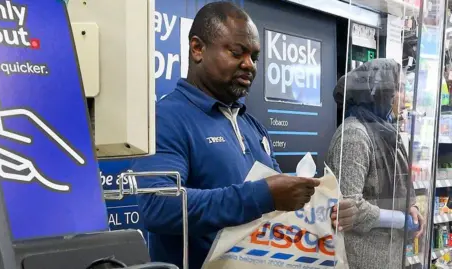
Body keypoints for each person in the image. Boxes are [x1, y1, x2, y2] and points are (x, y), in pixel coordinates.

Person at [135, 2, 354, 268]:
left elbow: (278, 209)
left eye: (255, 57)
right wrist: (260, 196)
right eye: (237, 52)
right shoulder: (166, 118)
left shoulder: (253, 126)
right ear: (197, 49)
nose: (249, 65)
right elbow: (159, 208)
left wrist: (323, 210)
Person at [327, 59, 424, 269]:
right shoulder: (354, 135)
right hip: (362, 258)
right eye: (399, 89)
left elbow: (401, 180)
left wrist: (411, 206)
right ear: (380, 92)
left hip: (388, 255)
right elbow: (348, 208)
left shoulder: (386, 131)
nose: (405, 98)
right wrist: (400, 219)